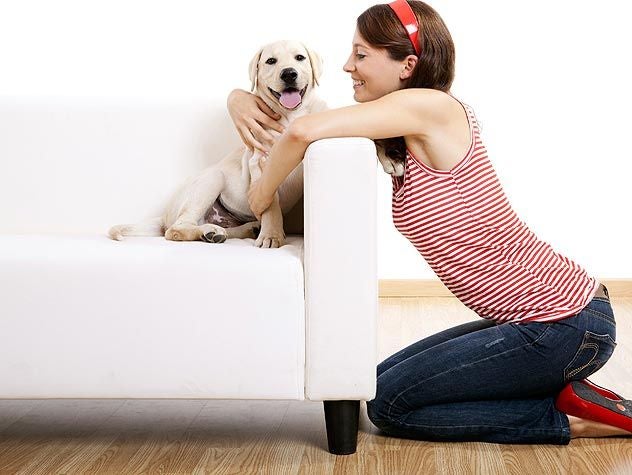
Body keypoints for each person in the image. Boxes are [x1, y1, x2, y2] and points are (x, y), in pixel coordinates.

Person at [228, 0, 631, 444]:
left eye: (361, 54)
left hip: (567, 324)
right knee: (373, 381)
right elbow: (305, 119)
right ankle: (561, 388)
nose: (347, 66)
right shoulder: (402, 123)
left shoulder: (427, 106)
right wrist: (239, 97)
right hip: (542, 322)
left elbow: (302, 131)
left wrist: (260, 194)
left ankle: (575, 416)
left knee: (390, 407)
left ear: (407, 66)